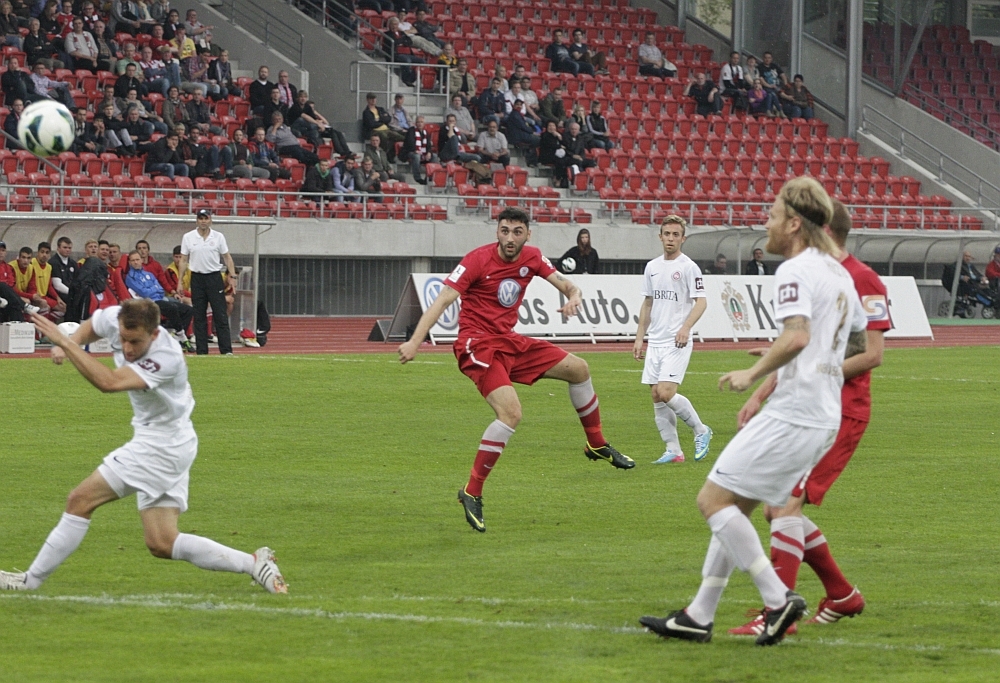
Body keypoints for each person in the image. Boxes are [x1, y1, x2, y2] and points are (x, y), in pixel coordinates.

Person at [638, 177, 868, 647]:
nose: (766, 223)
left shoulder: (796, 270)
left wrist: (755, 372)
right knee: (736, 505)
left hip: (794, 412)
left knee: (712, 501)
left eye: (772, 214)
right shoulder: (838, 272)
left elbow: (798, 335)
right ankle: (698, 615)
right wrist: (804, 357)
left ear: (794, 223)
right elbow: (857, 343)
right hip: (823, 413)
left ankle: (778, 599)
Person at [0, 301, 286, 595]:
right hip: (174, 441)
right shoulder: (117, 317)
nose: (127, 348)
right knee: (162, 542)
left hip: (160, 446)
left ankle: (29, 581)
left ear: (155, 333)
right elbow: (93, 326)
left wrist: (65, 344)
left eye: (135, 342)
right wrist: (73, 339)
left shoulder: (167, 357)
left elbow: (109, 382)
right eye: (123, 339)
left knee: (80, 500)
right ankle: (254, 563)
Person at [398, 207, 634, 533]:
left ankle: (596, 444)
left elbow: (568, 286)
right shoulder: (477, 260)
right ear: (497, 231)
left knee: (579, 369)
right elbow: (442, 301)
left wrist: (574, 297)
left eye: (517, 232)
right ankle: (472, 491)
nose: (510, 238)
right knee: (511, 413)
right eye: (505, 231)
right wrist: (415, 341)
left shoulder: (533, 257)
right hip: (477, 345)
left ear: (527, 234)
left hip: (508, 341)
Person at [727, 199, 888, 637]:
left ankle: (778, 613)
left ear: (823, 229)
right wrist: (761, 393)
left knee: (783, 507)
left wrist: (817, 368)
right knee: (776, 509)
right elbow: (805, 347)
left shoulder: (861, 278)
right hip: (807, 406)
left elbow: (872, 354)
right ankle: (841, 594)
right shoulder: (819, 275)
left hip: (840, 411)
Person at [632, 215, 712, 465]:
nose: (670, 239)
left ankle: (701, 430)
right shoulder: (652, 267)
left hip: (677, 340)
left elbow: (702, 301)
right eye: (667, 234)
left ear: (682, 238)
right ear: (660, 236)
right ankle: (674, 450)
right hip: (655, 340)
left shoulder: (689, 267)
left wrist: (686, 328)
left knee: (666, 392)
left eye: (675, 235)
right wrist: (639, 337)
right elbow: (648, 303)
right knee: (657, 396)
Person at [178, 209, 237, 356]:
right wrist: (180, 281)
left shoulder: (218, 237)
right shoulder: (188, 237)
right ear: (197, 220)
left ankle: (226, 350)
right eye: (201, 218)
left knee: (220, 314)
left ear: (210, 220)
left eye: (206, 218)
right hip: (197, 278)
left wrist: (233, 276)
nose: (203, 221)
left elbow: (227, 257)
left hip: (214, 277)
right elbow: (184, 259)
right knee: (199, 315)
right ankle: (202, 351)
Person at [123, 250, 193, 350]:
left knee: (188, 310)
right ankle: (181, 336)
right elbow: (144, 293)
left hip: (161, 298)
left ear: (141, 260)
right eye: (133, 260)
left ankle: (177, 336)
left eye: (137, 259)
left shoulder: (149, 274)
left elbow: (161, 290)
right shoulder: (130, 278)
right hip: (148, 302)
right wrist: (153, 289)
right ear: (129, 262)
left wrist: (152, 290)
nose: (135, 262)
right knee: (172, 307)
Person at [361, 93, 404, 160]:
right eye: (371, 99)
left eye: (374, 98)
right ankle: (384, 155)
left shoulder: (380, 109)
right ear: (367, 100)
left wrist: (378, 120)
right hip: (374, 131)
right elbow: (371, 124)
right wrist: (382, 120)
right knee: (384, 137)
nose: (373, 100)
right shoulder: (366, 112)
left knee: (401, 137)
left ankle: (391, 154)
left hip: (386, 129)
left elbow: (388, 119)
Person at [401, 115, 437, 184]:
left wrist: (429, 152)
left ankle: (429, 177)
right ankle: (417, 178)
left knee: (434, 156)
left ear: (424, 123)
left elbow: (428, 145)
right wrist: (415, 150)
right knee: (416, 156)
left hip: (422, 153)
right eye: (418, 122)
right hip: (410, 152)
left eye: (421, 122)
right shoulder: (411, 130)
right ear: (415, 123)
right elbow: (409, 143)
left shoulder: (426, 132)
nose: (420, 124)